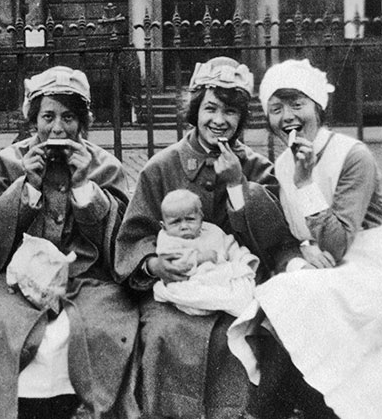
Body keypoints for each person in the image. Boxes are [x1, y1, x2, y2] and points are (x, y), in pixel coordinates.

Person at [227, 59, 382, 419]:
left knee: (287, 305)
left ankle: (267, 411)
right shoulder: (284, 163)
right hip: (325, 275)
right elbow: (296, 236)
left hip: (372, 271)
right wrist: (302, 255)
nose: (287, 116)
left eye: (297, 104)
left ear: (318, 106)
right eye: (276, 108)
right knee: (287, 305)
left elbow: (337, 243)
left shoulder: (353, 155)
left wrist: (305, 184)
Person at [115, 56, 297, 419]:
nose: (219, 120)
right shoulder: (161, 168)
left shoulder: (257, 168)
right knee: (166, 332)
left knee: (248, 334)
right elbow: (135, 235)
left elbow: (273, 241)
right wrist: (154, 263)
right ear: (195, 110)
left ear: (241, 120)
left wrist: (237, 185)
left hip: (236, 287)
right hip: (177, 291)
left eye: (230, 112)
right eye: (210, 108)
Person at [0, 66, 139, 419]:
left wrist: (84, 187)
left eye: (69, 117)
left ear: (83, 123)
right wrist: (25, 188)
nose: (58, 128)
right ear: (32, 121)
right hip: (13, 281)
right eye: (48, 116)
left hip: (86, 280)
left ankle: (91, 410)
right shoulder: (8, 162)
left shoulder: (103, 165)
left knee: (103, 327)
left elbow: (120, 243)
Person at [152, 189, 258, 317]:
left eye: (190, 219)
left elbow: (230, 245)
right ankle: (211, 303)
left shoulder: (212, 230)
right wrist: (199, 258)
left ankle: (229, 302)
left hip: (219, 275)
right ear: (163, 226)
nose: (184, 226)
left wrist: (243, 259)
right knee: (181, 290)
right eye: (175, 222)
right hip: (190, 279)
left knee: (241, 284)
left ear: (201, 217)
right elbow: (173, 262)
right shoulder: (168, 239)